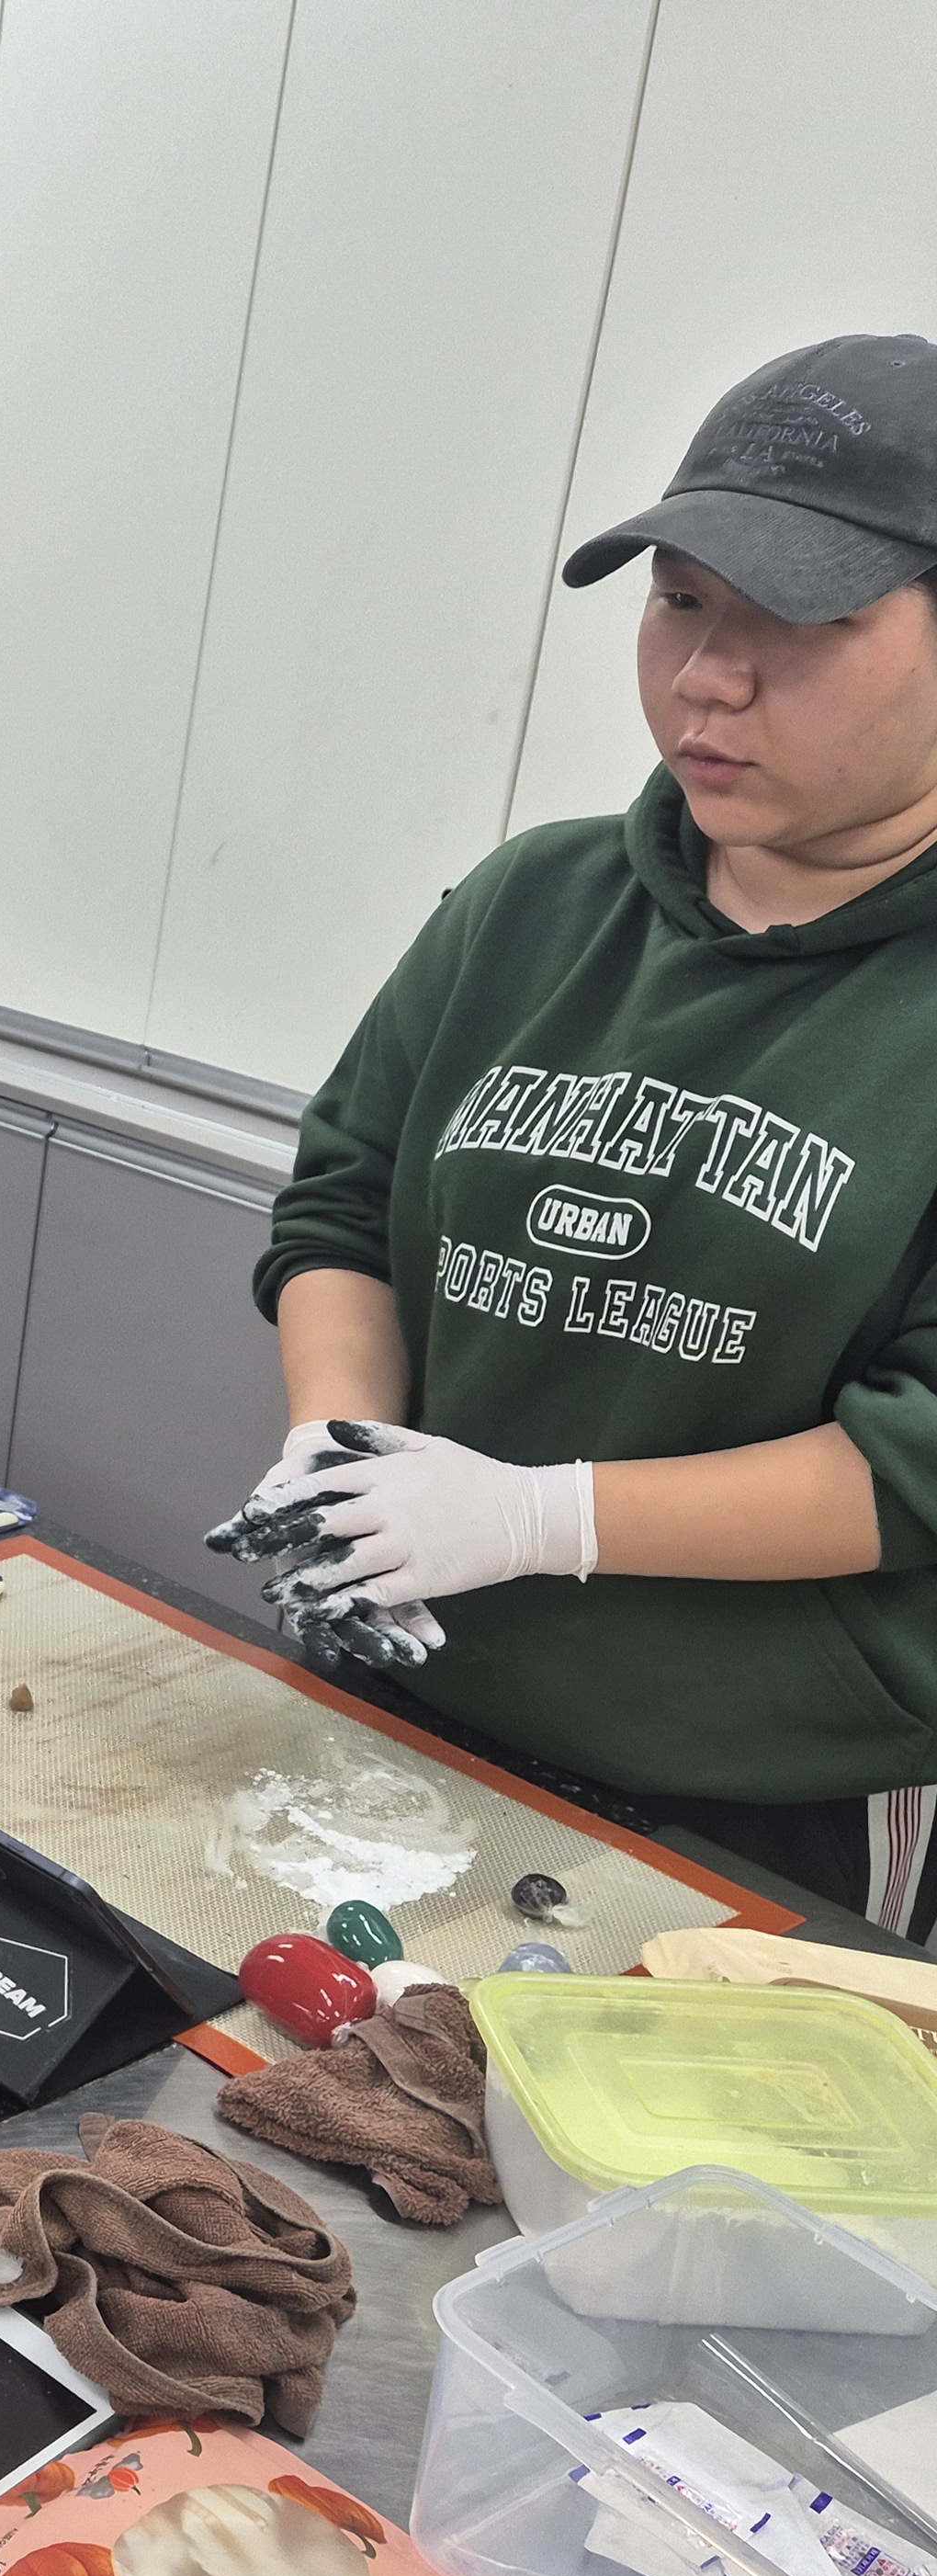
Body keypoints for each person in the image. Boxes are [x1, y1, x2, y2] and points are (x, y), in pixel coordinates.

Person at [210, 333, 937, 1945]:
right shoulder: (534, 901)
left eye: (798, 622)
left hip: (755, 1785)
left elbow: (921, 1458)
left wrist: (543, 1519)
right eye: (681, 602)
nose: (709, 678)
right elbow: (343, 1206)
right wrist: (341, 1454)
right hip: (403, 1691)